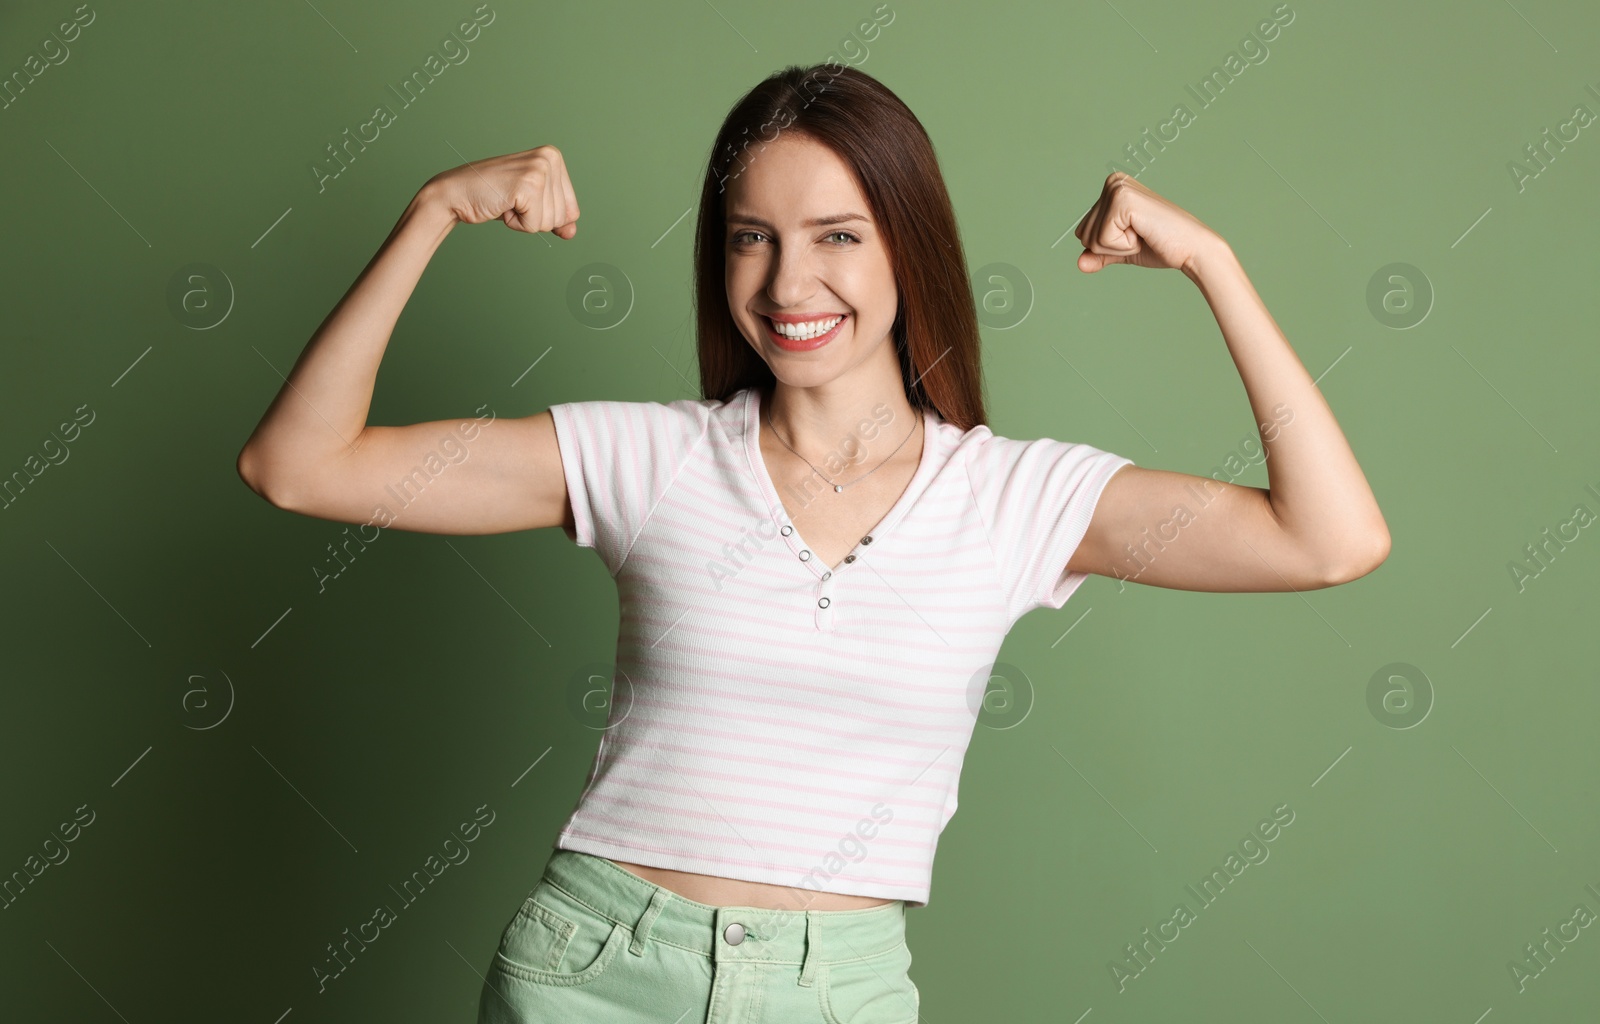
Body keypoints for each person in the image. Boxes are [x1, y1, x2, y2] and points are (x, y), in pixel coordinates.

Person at [236, 63, 1389, 1023]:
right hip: (594, 972)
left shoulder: (1018, 499)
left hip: (834, 991)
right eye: (752, 238)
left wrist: (1212, 265)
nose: (790, 282)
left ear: (908, 247)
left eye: (838, 234)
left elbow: (1326, 539)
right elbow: (298, 466)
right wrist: (433, 212)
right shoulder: (648, 458)